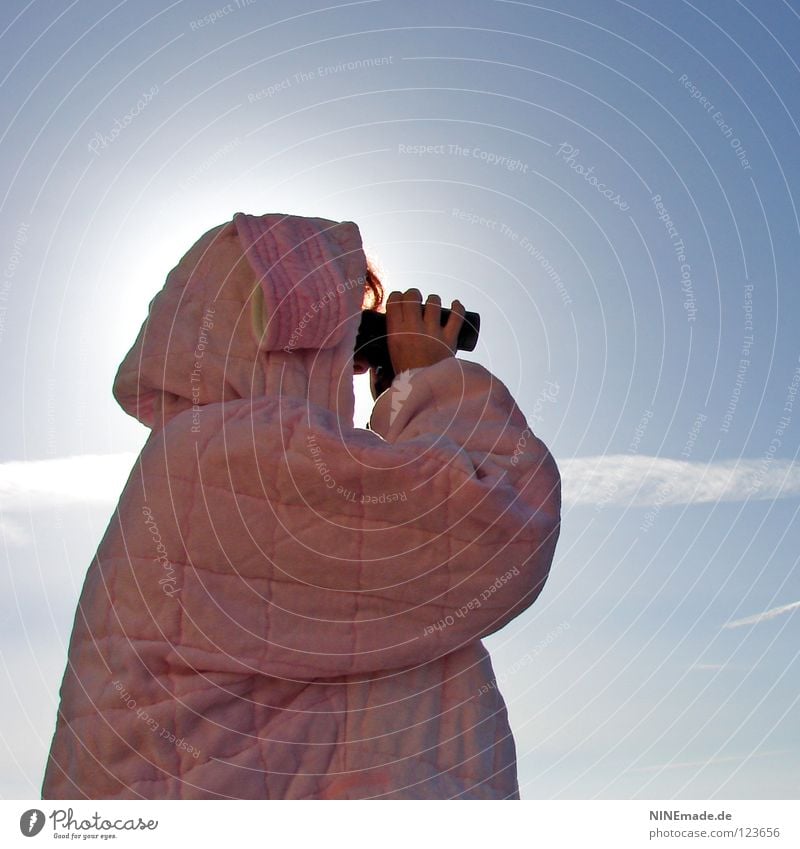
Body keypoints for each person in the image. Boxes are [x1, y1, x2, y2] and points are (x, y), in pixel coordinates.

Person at [42, 211, 560, 800]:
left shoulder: (208, 455)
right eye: (348, 334)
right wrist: (430, 378)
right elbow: (499, 522)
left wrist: (405, 395)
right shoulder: (225, 455)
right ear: (282, 336)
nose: (356, 364)